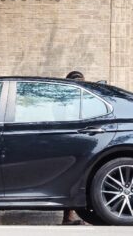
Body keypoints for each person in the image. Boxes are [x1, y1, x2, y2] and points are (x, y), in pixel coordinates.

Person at [61, 70, 85, 225]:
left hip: (82, 141)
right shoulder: (63, 101)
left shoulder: (85, 98)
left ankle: (73, 216)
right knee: (70, 178)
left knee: (80, 179)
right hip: (68, 141)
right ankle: (68, 216)